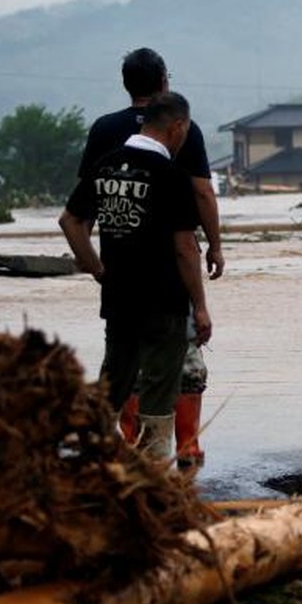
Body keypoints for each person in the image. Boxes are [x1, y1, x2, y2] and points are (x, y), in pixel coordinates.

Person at [80, 47, 220, 468]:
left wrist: (94, 264)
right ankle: (186, 448)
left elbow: (81, 209)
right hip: (167, 278)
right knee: (184, 360)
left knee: (123, 363)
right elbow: (201, 192)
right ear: (163, 82)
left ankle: (122, 447)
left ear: (127, 84)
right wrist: (215, 244)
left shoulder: (104, 131)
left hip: (118, 273)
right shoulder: (181, 129)